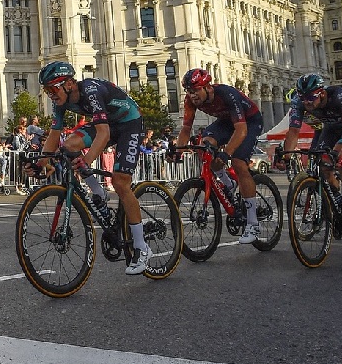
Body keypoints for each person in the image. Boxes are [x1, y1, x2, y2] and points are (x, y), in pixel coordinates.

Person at [31, 61, 150, 275]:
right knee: (69, 145)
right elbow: (54, 137)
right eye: (46, 90)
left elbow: (103, 134)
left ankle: (141, 248)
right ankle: (98, 192)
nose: (50, 95)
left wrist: (87, 161)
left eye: (52, 89)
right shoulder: (61, 102)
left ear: (68, 84)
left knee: (121, 181)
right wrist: (40, 162)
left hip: (129, 123)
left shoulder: (91, 91)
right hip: (107, 124)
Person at [176, 68, 264, 244]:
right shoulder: (190, 101)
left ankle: (253, 224)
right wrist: (177, 151)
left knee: (238, 163)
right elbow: (186, 129)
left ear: (207, 87)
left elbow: (241, 129)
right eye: (189, 91)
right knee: (204, 145)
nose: (192, 95)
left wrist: (226, 154)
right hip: (226, 122)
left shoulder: (226, 94)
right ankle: (228, 182)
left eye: (195, 91)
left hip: (249, 121)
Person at [281, 73, 342, 223]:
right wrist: (286, 157)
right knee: (322, 163)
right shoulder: (298, 102)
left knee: (341, 160)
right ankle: (338, 200)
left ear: (322, 93)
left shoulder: (339, 97)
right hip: (331, 126)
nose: (306, 102)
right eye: (303, 98)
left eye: (310, 98)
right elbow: (294, 131)